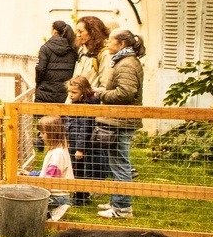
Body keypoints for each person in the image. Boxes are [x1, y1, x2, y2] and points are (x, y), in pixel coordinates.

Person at [94, 29, 145, 220]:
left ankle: (123, 208)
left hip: (121, 121)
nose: (108, 44)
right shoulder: (123, 61)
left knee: (121, 164)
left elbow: (125, 93)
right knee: (116, 163)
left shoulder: (126, 64)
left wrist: (101, 94)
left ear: (122, 44)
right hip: (119, 119)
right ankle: (116, 201)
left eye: (111, 41)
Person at [21, 115, 74, 222]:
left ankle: (56, 211)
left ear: (52, 133)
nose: (40, 135)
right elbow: (48, 172)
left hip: (56, 196)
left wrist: (33, 188)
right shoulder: (58, 149)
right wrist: (31, 174)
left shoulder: (57, 154)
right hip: (58, 194)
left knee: (24, 203)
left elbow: (49, 179)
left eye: (43, 132)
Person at [64, 75, 102, 207]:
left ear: (83, 92)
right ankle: (80, 194)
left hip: (80, 144)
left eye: (74, 92)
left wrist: (80, 148)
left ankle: (80, 197)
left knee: (79, 170)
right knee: (76, 168)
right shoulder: (75, 103)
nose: (70, 95)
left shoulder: (86, 106)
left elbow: (85, 128)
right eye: (69, 92)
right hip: (73, 140)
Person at [36, 20, 77, 104]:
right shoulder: (73, 48)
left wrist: (39, 83)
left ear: (54, 31)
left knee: (42, 112)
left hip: (45, 92)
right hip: (65, 92)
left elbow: (40, 69)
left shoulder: (45, 48)